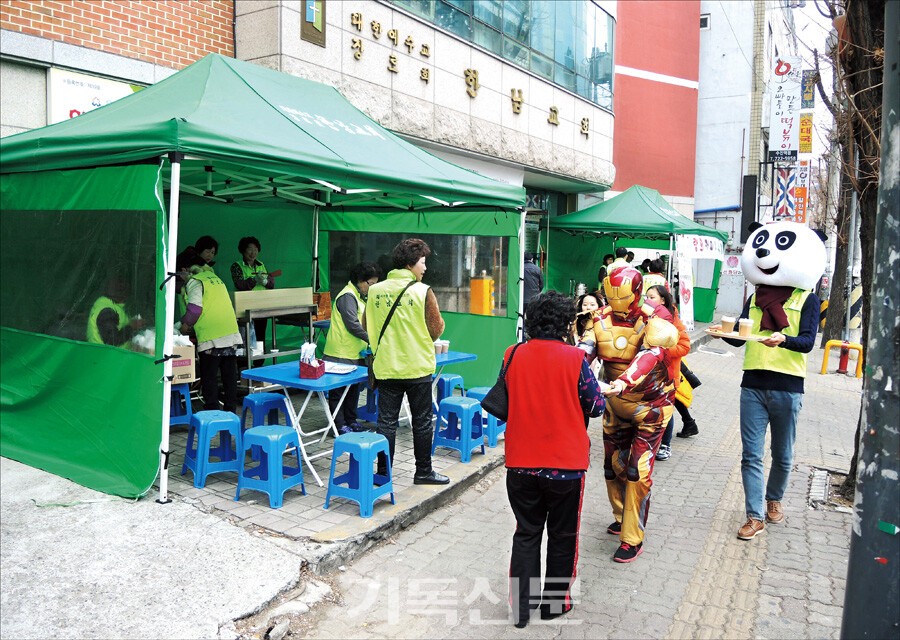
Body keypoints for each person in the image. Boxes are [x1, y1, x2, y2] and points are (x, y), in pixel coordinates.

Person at [710, 221, 826, 541]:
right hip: (752, 386)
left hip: (789, 387)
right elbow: (740, 337)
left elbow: (807, 343)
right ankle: (755, 515)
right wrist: (722, 333)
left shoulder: (807, 299)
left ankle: (774, 498)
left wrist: (783, 340)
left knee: (783, 455)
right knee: (751, 455)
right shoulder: (754, 298)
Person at [502, 291, 605, 628]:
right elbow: (596, 406)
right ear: (566, 323)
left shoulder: (512, 354)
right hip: (566, 466)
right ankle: (554, 604)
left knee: (526, 532)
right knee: (563, 536)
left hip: (521, 462)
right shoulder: (576, 359)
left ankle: (521, 609)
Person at [582, 265, 677, 563]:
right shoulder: (599, 318)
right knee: (612, 466)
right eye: (611, 297)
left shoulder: (655, 317)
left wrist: (624, 381)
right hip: (614, 403)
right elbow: (584, 352)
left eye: (622, 297)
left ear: (635, 293)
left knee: (638, 469)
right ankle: (622, 516)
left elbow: (650, 355)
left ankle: (632, 537)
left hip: (651, 406)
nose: (617, 304)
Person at [364, 238, 447, 485]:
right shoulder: (423, 291)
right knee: (422, 421)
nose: (425, 268)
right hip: (417, 367)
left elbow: (367, 325)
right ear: (411, 264)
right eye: (423, 262)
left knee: (386, 423)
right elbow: (436, 329)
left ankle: (383, 475)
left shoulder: (375, 290)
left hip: (386, 366)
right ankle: (423, 472)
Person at [179, 250, 243, 413]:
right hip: (230, 332)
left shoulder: (195, 281)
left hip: (212, 337)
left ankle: (212, 412)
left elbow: (194, 310)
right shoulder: (214, 278)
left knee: (209, 377)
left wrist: (185, 325)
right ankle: (231, 412)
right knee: (229, 376)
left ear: (184, 270)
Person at [323, 261, 380, 435]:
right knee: (338, 392)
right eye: (370, 283)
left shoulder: (358, 296)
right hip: (340, 353)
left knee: (353, 390)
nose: (372, 288)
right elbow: (353, 325)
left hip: (355, 353)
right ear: (360, 280)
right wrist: (373, 339)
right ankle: (339, 425)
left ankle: (351, 420)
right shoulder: (347, 296)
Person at [645, 285, 693, 461]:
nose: (647, 300)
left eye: (652, 297)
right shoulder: (645, 317)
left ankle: (665, 445)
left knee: (665, 410)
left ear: (663, 300)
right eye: (646, 297)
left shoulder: (674, 321)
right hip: (647, 374)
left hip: (667, 375)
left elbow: (684, 347)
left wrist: (661, 350)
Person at [230, 236, 275, 348]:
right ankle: (245, 359)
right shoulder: (237, 266)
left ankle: (260, 358)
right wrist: (254, 280)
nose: (253, 252)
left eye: (255, 249)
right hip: (245, 308)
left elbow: (271, 284)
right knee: (246, 337)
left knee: (260, 336)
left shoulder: (261, 265)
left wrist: (265, 281)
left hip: (261, 306)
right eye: (250, 249)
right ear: (243, 250)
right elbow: (239, 285)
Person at [86, 277, 146, 347]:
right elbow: (112, 340)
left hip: (111, 352)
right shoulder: (107, 311)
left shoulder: (113, 306)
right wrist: (131, 327)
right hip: (105, 353)